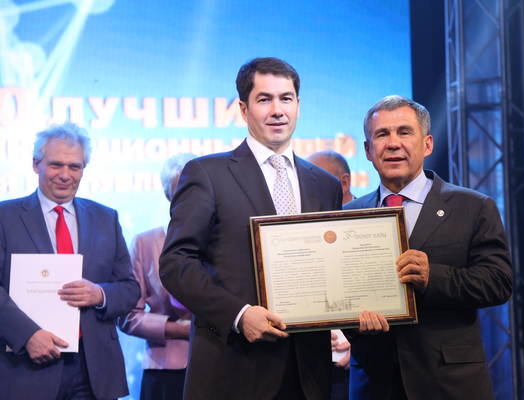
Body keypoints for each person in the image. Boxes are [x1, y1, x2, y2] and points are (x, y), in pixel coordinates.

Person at [159, 57, 343, 400]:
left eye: (286, 98)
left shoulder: (324, 184)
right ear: (244, 109)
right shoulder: (207, 174)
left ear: (298, 105)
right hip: (232, 367)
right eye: (264, 99)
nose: (277, 110)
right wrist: (239, 314)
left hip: (308, 373)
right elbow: (176, 264)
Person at [345, 95, 512, 399]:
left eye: (404, 132)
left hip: (450, 383)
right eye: (382, 134)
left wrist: (432, 277)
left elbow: (498, 283)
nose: (393, 143)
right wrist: (354, 324)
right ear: (368, 150)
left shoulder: (473, 206)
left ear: (427, 144)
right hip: (374, 383)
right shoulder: (347, 215)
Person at [0, 122, 140, 399]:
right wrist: (26, 335)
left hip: (93, 371)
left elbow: (129, 288)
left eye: (74, 167)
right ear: (36, 164)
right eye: (56, 165)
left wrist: (100, 294)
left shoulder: (106, 218)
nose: (65, 175)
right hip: (25, 367)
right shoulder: (5, 217)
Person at [119, 153, 195, 400]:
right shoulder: (145, 243)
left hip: (221, 364)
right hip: (165, 368)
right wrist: (177, 330)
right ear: (167, 194)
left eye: (196, 190)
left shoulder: (225, 241)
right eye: (180, 191)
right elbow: (128, 317)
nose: (189, 199)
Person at [307, 150, 354, 399]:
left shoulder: (370, 220)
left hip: (360, 367)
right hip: (310, 363)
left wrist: (358, 344)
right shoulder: (300, 228)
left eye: (315, 180)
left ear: (343, 183)